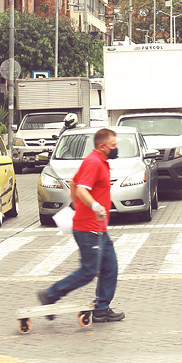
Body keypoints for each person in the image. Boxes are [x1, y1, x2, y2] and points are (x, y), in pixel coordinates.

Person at [37, 128, 123, 323]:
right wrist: (93, 206)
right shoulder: (94, 162)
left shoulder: (98, 161)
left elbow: (74, 183)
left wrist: (77, 206)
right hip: (89, 229)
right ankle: (50, 295)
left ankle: (102, 308)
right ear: (103, 147)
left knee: (110, 267)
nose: (116, 149)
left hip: (98, 228)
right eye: (114, 146)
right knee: (88, 272)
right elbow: (83, 188)